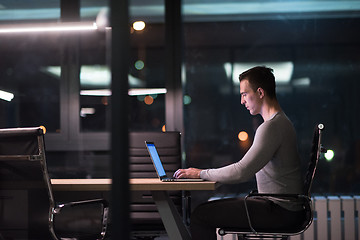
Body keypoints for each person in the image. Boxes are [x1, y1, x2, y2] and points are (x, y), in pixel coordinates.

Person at [173, 66, 305, 239]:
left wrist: (200, 173)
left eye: (244, 94)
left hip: (279, 211)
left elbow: (242, 171)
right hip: (284, 208)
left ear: (259, 92)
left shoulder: (272, 126)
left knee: (200, 215)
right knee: (206, 211)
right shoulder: (280, 123)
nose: (242, 101)